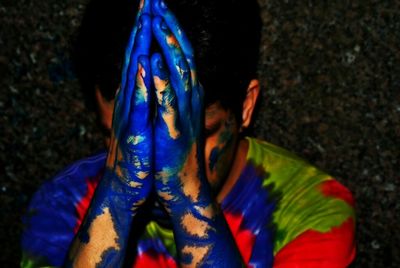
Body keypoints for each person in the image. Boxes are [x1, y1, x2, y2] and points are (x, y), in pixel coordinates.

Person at [21, 0, 356, 267]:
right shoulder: (65, 205)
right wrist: (120, 194)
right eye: (123, 136)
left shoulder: (312, 213)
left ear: (245, 107)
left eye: (195, 137)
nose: (154, 167)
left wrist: (186, 198)